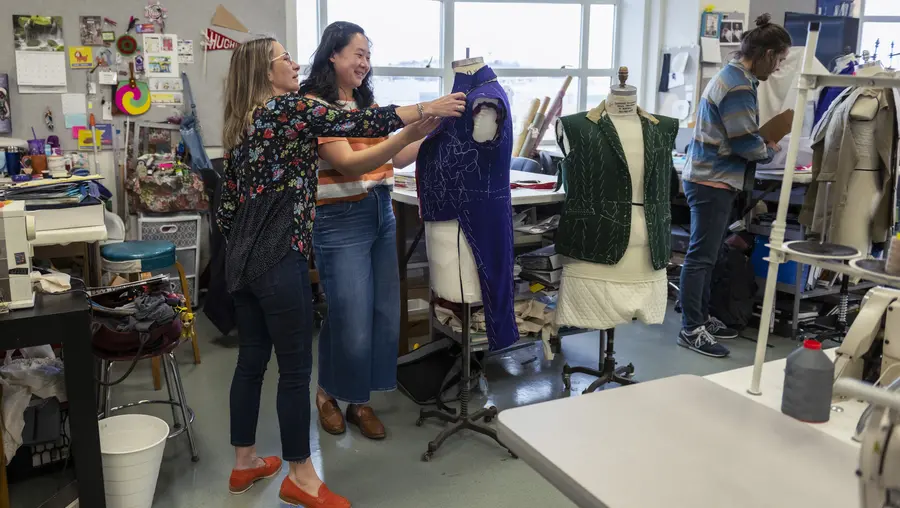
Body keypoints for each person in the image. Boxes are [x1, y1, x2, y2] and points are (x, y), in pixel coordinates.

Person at [218, 36, 464, 507]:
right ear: (265, 72)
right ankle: (302, 478)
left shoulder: (241, 125)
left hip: (242, 263)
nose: (292, 62)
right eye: (282, 57)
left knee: (250, 363)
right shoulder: (288, 110)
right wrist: (424, 108)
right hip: (277, 259)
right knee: (294, 371)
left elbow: (226, 210)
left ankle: (243, 464)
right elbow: (358, 122)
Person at [298, 22, 426, 439]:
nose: (365, 63)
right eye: (358, 53)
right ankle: (326, 395)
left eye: (368, 55)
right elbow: (348, 163)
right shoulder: (316, 106)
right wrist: (410, 126)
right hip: (341, 218)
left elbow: (398, 157)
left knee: (381, 313)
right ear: (333, 54)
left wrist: (431, 131)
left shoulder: (366, 106)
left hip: (379, 211)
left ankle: (359, 401)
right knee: (348, 316)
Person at [679, 13, 791, 358]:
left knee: (708, 255)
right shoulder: (739, 85)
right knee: (701, 257)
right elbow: (744, 143)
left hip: (709, 178)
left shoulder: (732, 76)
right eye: (780, 61)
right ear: (767, 53)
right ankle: (691, 328)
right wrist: (770, 148)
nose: (777, 69)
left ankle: (701, 317)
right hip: (712, 181)